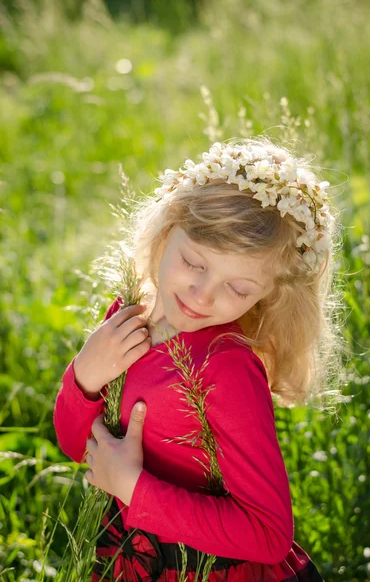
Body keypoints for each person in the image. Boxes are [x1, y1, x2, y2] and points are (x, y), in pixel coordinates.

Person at [53, 136, 345, 581]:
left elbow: (269, 534)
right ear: (168, 232)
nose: (203, 294)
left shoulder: (225, 365)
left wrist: (132, 487)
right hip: (132, 558)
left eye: (238, 289)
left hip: (203, 568)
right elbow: (78, 447)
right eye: (194, 262)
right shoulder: (129, 316)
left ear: (269, 295)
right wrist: (85, 378)